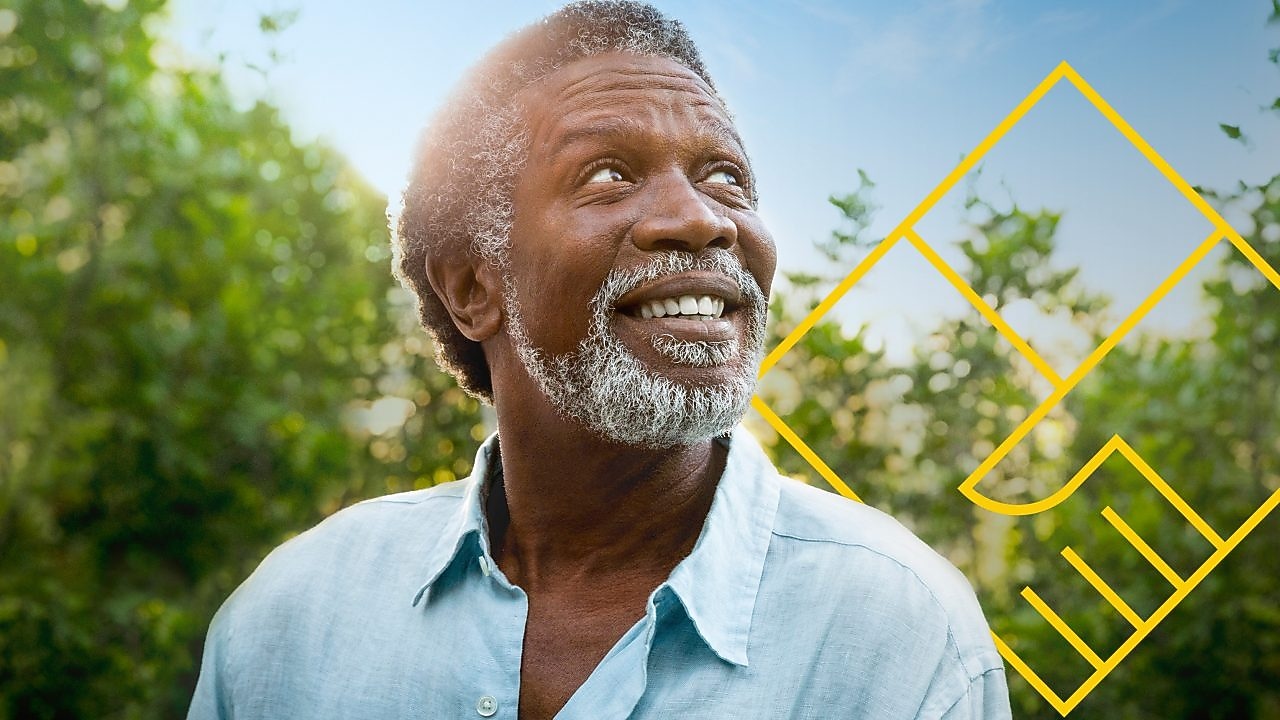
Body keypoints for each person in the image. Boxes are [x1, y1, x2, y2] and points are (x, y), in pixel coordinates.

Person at [188, 2, 1011, 718]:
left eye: (726, 176)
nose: (701, 221)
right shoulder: (291, 626)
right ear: (476, 286)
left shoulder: (895, 635)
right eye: (609, 176)